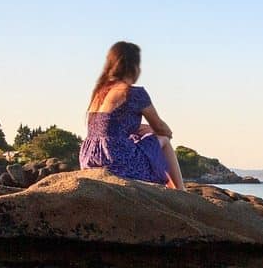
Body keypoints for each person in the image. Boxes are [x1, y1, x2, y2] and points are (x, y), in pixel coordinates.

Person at [79, 41, 185, 189]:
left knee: (137, 138)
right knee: (165, 140)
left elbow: (107, 126)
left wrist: (140, 128)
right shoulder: (134, 93)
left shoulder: (99, 93)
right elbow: (162, 129)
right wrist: (155, 130)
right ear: (134, 67)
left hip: (89, 157)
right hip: (115, 158)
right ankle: (181, 191)